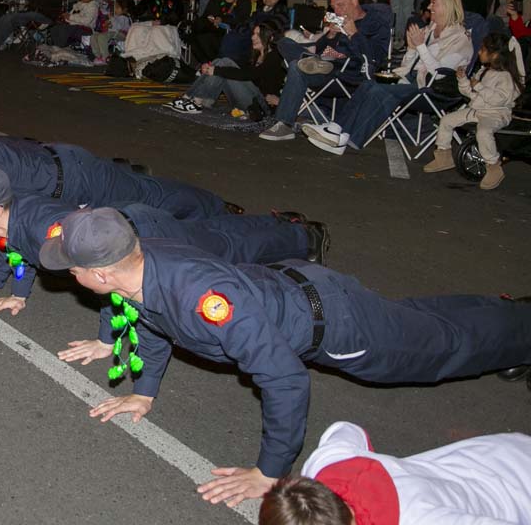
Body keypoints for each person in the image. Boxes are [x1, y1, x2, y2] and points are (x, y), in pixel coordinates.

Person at [39, 207, 531, 508]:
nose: (69, 275)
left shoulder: (203, 302)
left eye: (73, 268)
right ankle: (503, 315)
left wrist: (270, 472)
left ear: (100, 274)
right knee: (417, 324)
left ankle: (520, 330)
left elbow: (286, 380)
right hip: (300, 288)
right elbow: (152, 327)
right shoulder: (139, 267)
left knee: (437, 350)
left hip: (335, 324)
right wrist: (143, 395)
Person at [0, 166, 327, 317]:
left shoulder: (47, 225)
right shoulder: (11, 218)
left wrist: (107, 344)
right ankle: (280, 223)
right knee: (219, 237)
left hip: (142, 234)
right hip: (121, 225)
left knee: (226, 249)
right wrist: (17, 294)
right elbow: (18, 251)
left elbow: (110, 280)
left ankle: (302, 235)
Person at [0, 116, 239, 228]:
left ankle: (218, 209)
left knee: (148, 196)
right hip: (60, 171)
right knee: (142, 193)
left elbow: (14, 215)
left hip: (74, 177)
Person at [260, 421, 531, 525]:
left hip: (521, 492)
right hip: (495, 452)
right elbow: (344, 430)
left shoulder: (419, 519)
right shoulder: (326, 468)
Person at [303, 0, 472, 155]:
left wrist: (420, 46)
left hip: (432, 89)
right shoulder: (430, 29)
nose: (429, 6)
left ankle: (343, 137)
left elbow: (440, 73)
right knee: (369, 84)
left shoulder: (460, 38)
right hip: (411, 79)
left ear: (448, 6)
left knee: (381, 90)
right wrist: (412, 49)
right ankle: (336, 130)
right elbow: (409, 63)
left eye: (434, 2)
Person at [259, 0, 391, 142]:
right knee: (284, 42)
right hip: (324, 67)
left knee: (296, 66)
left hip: (348, 74)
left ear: (354, 2)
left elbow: (375, 57)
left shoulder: (375, 24)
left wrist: (354, 34)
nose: (337, 11)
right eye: (333, 7)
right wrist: (331, 35)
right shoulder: (338, 21)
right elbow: (320, 48)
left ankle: (284, 124)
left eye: (340, 5)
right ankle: (308, 61)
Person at [424, 31, 523, 189]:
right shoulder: (484, 71)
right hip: (477, 110)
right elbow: (471, 94)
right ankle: (443, 155)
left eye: (482, 49)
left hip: (496, 114)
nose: (479, 52)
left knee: (483, 132)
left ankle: (493, 166)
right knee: (447, 120)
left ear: (495, 54)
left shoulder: (505, 77)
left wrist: (479, 86)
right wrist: (463, 80)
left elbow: (499, 99)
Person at [170, 19, 285, 118]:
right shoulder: (256, 55)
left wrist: (216, 70)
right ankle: (190, 98)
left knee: (223, 64)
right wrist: (212, 67)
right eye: (253, 33)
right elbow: (239, 70)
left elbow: (250, 75)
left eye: (258, 35)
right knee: (220, 62)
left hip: (263, 105)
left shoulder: (274, 56)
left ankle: (196, 100)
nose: (253, 37)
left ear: (270, 37)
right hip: (249, 99)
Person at [190, 0, 252, 65]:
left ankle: (214, 65)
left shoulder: (244, 1)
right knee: (193, 35)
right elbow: (206, 15)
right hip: (211, 29)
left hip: (229, 34)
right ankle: (206, 64)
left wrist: (222, 19)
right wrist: (210, 19)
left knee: (205, 38)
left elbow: (241, 19)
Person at [90, 0, 132, 64]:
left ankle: (105, 57)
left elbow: (118, 27)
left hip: (122, 35)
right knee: (93, 36)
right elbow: (111, 27)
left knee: (102, 37)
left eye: (118, 8)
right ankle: (98, 56)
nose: (115, 9)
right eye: (115, 7)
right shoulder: (116, 17)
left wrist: (111, 19)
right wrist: (107, 24)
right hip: (113, 33)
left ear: (125, 10)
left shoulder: (125, 18)